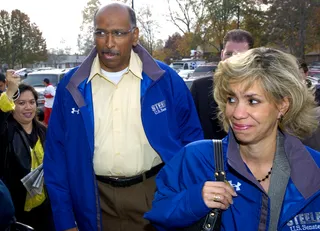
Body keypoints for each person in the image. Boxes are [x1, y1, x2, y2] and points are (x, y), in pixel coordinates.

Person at [43, 3, 203, 231]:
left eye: (118, 33)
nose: (109, 42)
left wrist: (188, 199)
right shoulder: (71, 87)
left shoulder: (166, 80)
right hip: (94, 199)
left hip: (155, 193)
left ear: (134, 35)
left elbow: (192, 142)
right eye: (101, 33)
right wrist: (66, 220)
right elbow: (56, 158)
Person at [145, 47, 320, 231]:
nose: (237, 113)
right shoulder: (197, 159)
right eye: (231, 99)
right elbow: (158, 216)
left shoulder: (313, 168)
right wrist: (194, 200)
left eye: (252, 101)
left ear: (282, 105)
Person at [0, 70, 55, 230]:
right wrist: (10, 91)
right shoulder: (6, 132)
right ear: (12, 106)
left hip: (46, 206)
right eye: (21, 103)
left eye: (31, 102)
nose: (28, 107)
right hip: (17, 210)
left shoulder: (44, 132)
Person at [190, 29, 254, 139]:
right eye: (229, 54)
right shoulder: (200, 88)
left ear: (251, 58)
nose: (233, 59)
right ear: (221, 55)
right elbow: (189, 129)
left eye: (240, 55)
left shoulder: (260, 91)